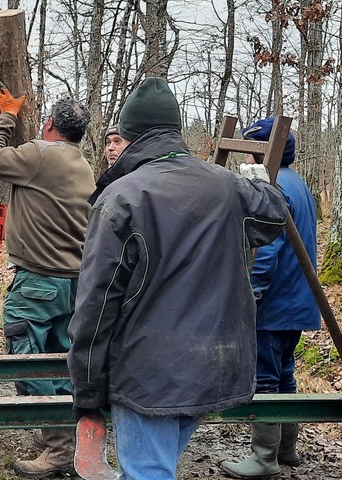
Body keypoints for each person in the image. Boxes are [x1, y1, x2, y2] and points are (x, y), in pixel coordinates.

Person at [69, 77, 288, 480]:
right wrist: (260, 181)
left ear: (130, 136)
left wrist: (86, 389)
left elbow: (95, 306)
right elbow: (274, 214)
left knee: (147, 472)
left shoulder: (121, 198)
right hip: (214, 367)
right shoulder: (229, 186)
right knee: (156, 466)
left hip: (148, 375)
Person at [0, 88, 94, 477]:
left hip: (38, 285)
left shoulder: (41, 154)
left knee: (26, 361)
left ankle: (58, 448)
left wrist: (7, 116)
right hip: (72, 284)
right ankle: (63, 441)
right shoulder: (81, 163)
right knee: (60, 363)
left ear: (49, 124)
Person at [221, 117, 321, 479]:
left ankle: (264, 458)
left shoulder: (272, 187)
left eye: (250, 151)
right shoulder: (298, 183)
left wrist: (252, 294)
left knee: (264, 377)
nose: (244, 158)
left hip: (274, 302)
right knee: (284, 373)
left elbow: (265, 249)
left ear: (261, 153)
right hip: (296, 299)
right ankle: (286, 449)